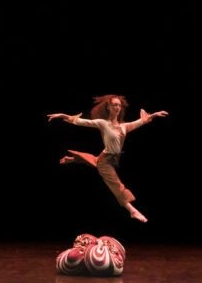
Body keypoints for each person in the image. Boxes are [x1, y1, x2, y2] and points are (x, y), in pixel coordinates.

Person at [47, 95, 169, 223]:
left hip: (110, 158)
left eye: (119, 105)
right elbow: (81, 122)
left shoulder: (124, 126)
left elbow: (141, 122)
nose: (118, 107)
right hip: (106, 160)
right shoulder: (102, 123)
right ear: (108, 107)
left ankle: (73, 159)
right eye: (115, 105)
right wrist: (62, 115)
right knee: (115, 183)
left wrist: (154, 114)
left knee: (97, 161)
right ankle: (132, 210)